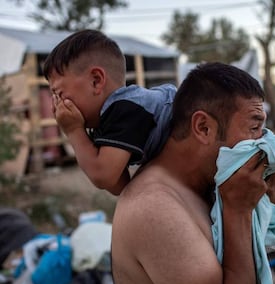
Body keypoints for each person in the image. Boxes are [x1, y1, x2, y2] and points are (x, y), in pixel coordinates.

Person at [111, 62, 275, 284]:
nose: (264, 142)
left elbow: (256, 274)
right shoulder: (154, 207)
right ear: (204, 128)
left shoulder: (212, 185)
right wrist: (238, 212)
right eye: (254, 128)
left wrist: (268, 199)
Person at [42, 29, 176, 195]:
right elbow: (119, 185)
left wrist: (73, 131)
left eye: (59, 94)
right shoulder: (105, 121)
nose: (56, 106)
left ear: (96, 81)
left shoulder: (126, 108)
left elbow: (103, 176)